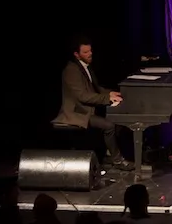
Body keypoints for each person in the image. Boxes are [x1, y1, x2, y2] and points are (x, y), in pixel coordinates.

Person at [52, 36, 130, 169]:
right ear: (76, 54)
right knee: (109, 125)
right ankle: (117, 160)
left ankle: (108, 153)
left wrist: (111, 93)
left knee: (118, 120)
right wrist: (107, 98)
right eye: (85, 52)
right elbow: (83, 96)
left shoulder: (85, 67)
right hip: (76, 113)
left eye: (90, 51)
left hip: (86, 110)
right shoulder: (71, 70)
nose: (90, 54)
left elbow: (95, 88)